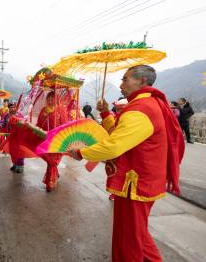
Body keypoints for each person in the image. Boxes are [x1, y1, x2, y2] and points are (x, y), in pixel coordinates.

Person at [69, 65, 185, 262]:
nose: (121, 85)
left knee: (127, 239)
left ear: (141, 81)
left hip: (135, 183)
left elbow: (115, 145)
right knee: (138, 234)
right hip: (141, 182)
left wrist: (81, 153)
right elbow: (120, 132)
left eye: (125, 79)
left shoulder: (142, 109)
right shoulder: (146, 105)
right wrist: (106, 113)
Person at [37, 91, 65, 192]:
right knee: (51, 161)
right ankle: (53, 178)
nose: (50, 100)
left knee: (52, 161)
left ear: (56, 99)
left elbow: (64, 125)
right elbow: (39, 123)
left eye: (52, 98)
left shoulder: (60, 110)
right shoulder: (44, 110)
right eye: (48, 98)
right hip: (46, 139)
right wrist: (44, 116)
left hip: (58, 140)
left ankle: (51, 181)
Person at [0, 102, 25, 173]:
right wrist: (0, 125)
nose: (13, 109)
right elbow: (3, 122)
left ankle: (20, 166)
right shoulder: (6, 116)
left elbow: (24, 123)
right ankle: (14, 164)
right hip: (11, 136)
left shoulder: (20, 115)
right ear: (9, 108)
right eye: (11, 107)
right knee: (12, 151)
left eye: (14, 107)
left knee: (19, 151)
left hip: (19, 137)